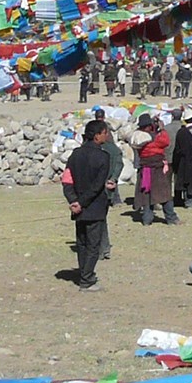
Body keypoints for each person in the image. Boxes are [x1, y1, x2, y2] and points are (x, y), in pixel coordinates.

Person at [64, 120, 117, 290]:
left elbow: (67, 181)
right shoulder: (103, 157)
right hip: (93, 207)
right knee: (93, 245)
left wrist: (73, 201)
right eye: (105, 132)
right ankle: (86, 279)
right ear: (96, 136)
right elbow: (95, 187)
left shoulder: (75, 155)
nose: (107, 135)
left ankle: (84, 273)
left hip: (78, 208)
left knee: (82, 243)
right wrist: (80, 202)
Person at [133, 115, 176, 225]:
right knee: (165, 194)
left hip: (145, 169)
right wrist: (161, 129)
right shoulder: (154, 139)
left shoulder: (138, 138)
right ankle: (171, 218)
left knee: (146, 195)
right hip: (157, 169)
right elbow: (165, 142)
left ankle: (147, 219)